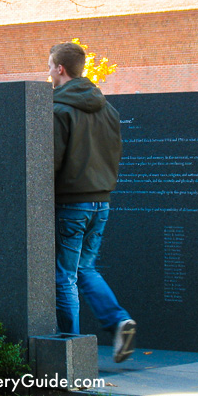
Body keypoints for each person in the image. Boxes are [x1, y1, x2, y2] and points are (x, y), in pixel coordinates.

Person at [50, 42, 137, 363]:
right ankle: (118, 321)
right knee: (84, 268)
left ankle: (72, 348)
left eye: (50, 66)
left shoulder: (59, 109)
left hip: (71, 204)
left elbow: (51, 162)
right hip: (102, 202)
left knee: (64, 276)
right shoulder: (107, 109)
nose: (48, 72)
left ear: (60, 68)